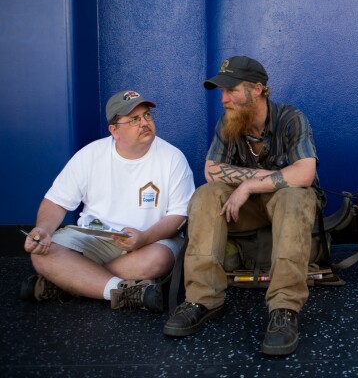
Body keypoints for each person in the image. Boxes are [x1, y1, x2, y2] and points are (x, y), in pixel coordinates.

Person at [163, 56, 324, 356]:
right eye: (221, 92)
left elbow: (304, 173)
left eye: (231, 91)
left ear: (258, 89)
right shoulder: (230, 121)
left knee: (293, 195)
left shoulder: (291, 118)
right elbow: (211, 170)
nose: (224, 99)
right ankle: (202, 299)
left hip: (288, 207)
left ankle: (284, 309)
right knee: (206, 195)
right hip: (246, 211)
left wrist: (249, 184)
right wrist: (268, 178)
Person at [21, 90, 195, 311]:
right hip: (95, 239)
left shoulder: (173, 158)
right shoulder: (90, 155)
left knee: (158, 259)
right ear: (114, 130)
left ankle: (69, 283)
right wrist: (43, 229)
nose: (144, 123)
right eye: (134, 119)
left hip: (150, 241)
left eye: (147, 115)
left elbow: (179, 215)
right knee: (43, 256)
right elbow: (56, 202)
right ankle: (122, 291)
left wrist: (144, 237)